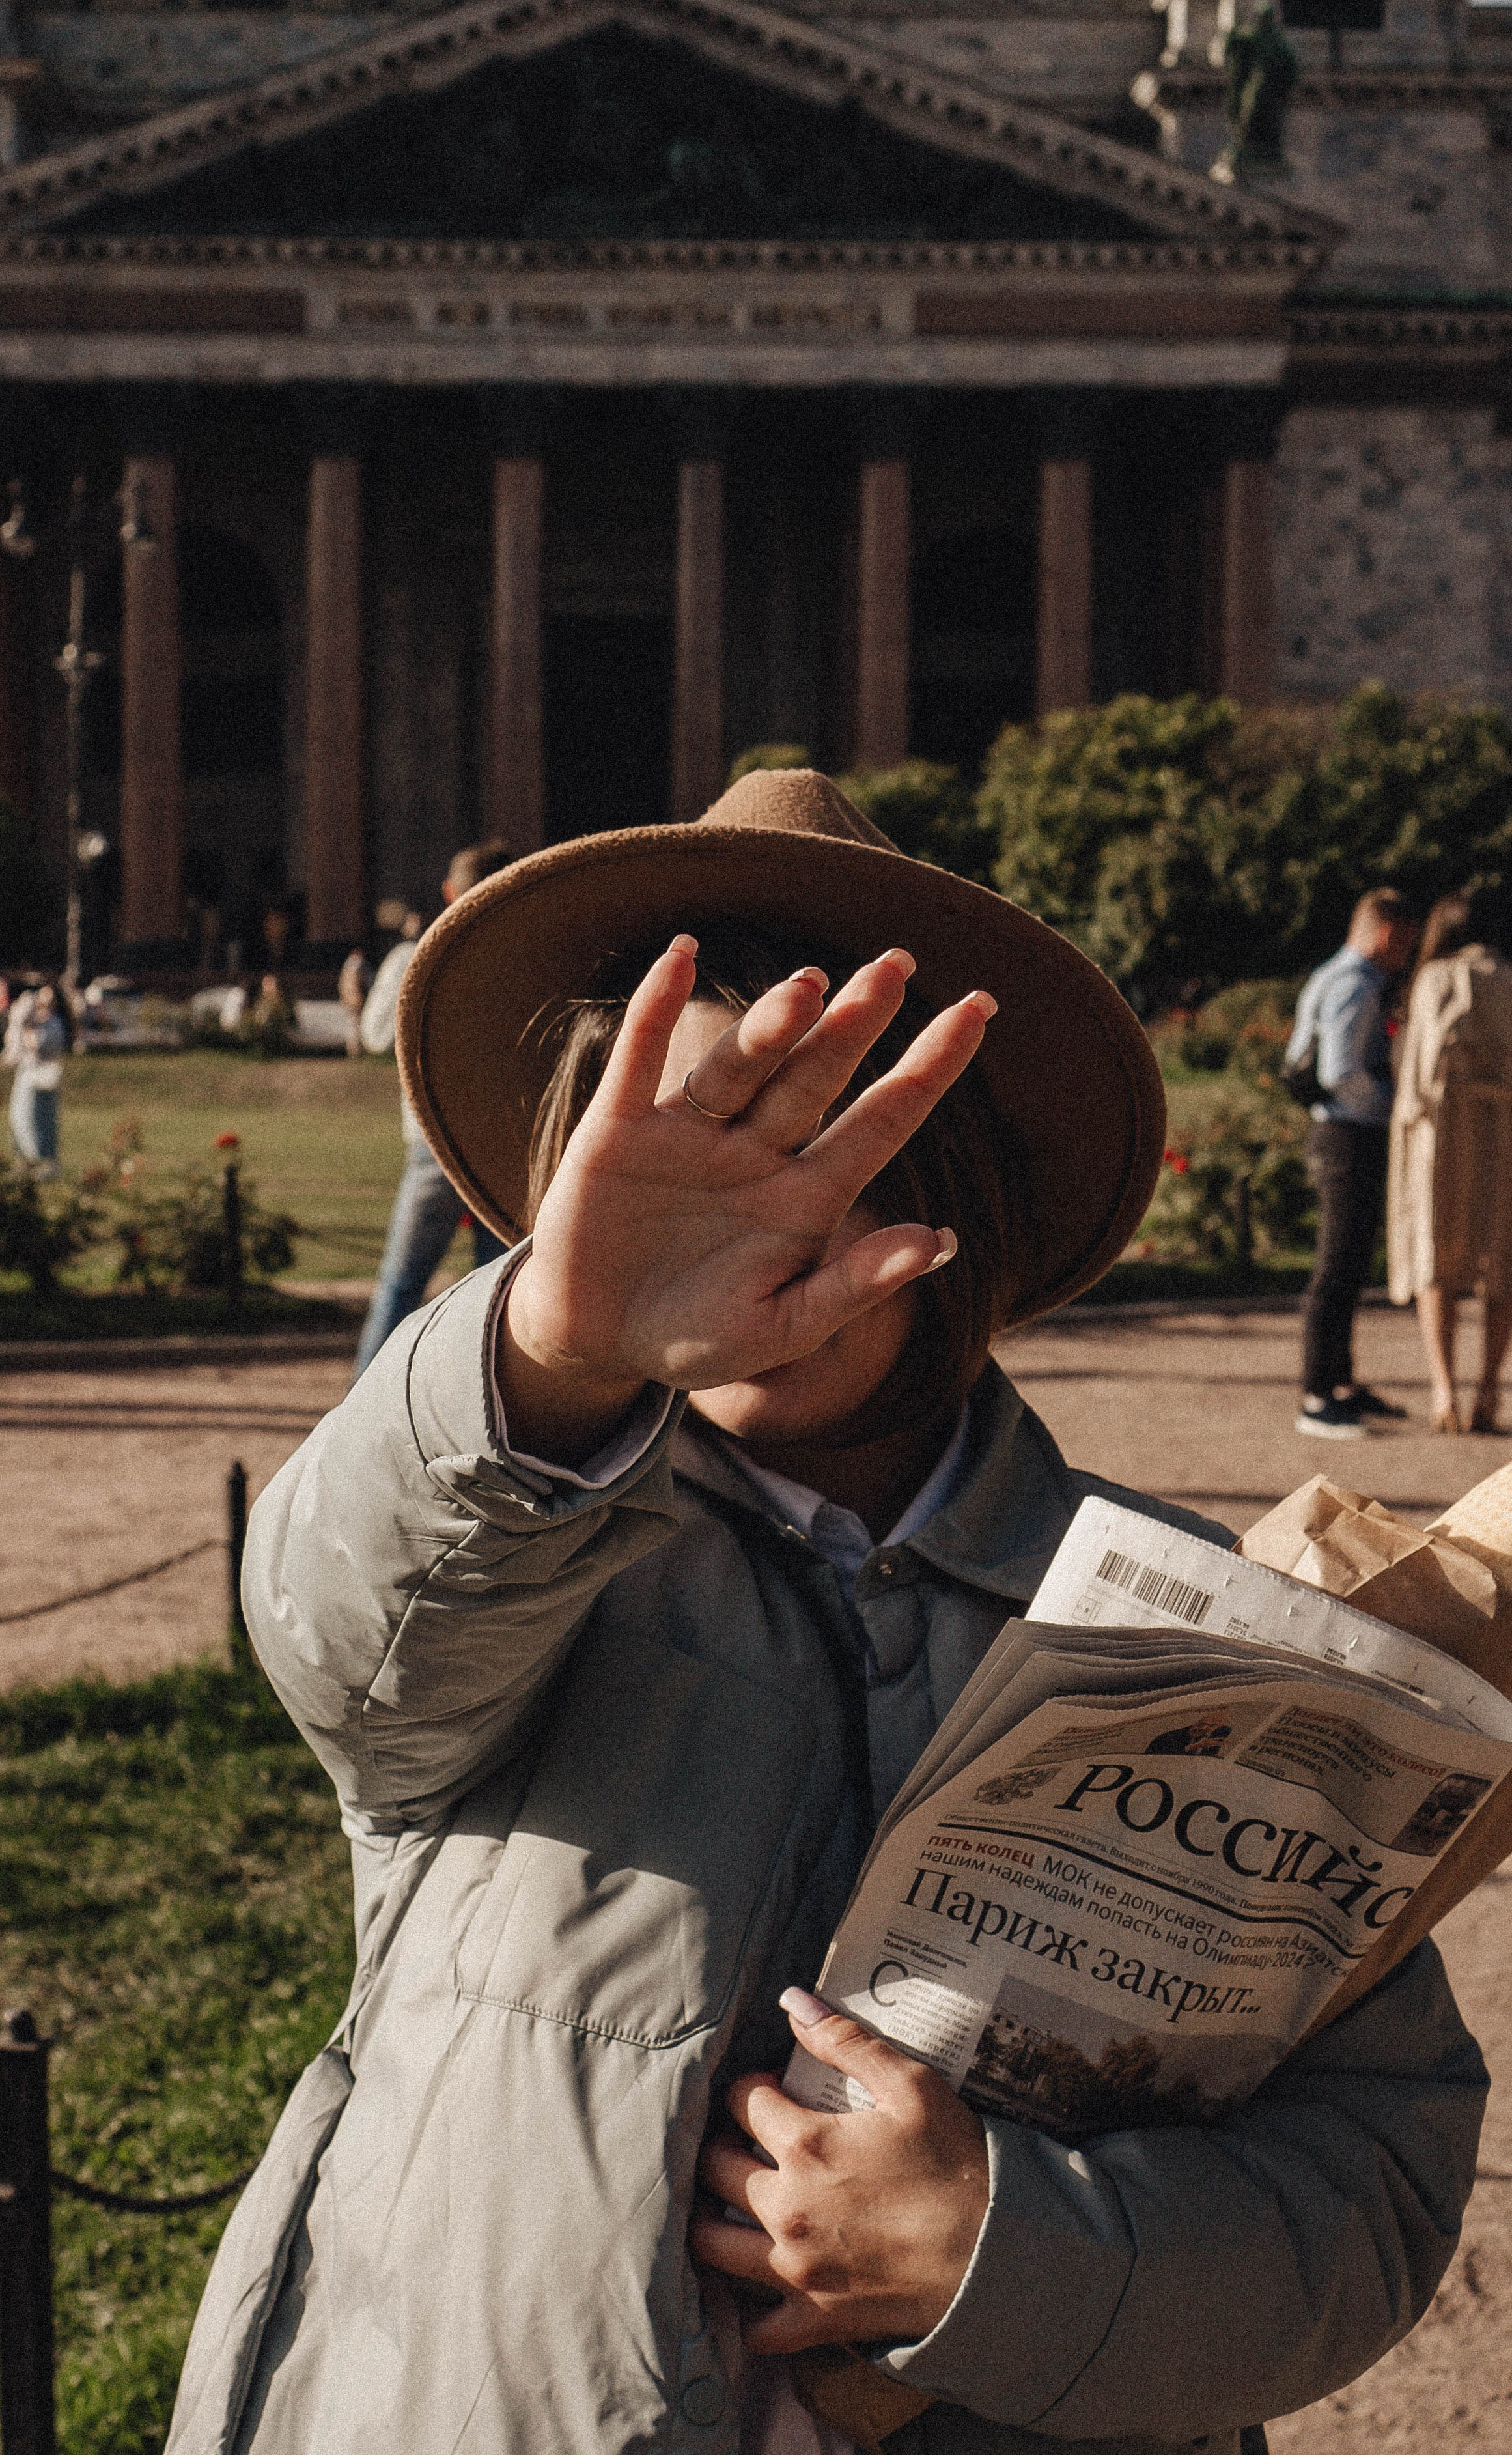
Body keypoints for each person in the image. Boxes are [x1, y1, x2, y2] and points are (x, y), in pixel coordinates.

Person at [170, 772, 1486, 2455]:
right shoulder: (514, 1542)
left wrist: (995, 2249)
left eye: (814, 1154)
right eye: (677, 1160)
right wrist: (552, 1357)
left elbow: (1368, 2172)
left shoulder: (1207, 1632)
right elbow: (333, 1633)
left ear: (949, 1194)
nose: (744, 1244)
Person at [352, 843, 513, 1376]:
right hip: (502, 1140)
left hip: (430, 1139)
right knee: (493, 1293)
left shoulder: (412, 956)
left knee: (401, 1284)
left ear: (449, 892)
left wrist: (357, 1001)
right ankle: (485, 1406)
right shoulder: (519, 955)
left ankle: (361, 1407)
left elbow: (376, 1037)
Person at [1285, 887, 1420, 1438]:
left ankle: (1340, 1383)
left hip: (1339, 1131)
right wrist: (1397, 1104)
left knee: (1348, 1264)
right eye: (1406, 946)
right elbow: (1341, 1071)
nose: (1405, 957)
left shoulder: (1333, 976)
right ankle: (1317, 1397)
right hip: (1347, 1133)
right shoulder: (1354, 984)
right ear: (1389, 935)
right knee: (1337, 1267)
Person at [1387, 888, 1512, 1433]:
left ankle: (1444, 1390)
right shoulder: (1510, 978)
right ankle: (1489, 1390)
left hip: (1442, 1134)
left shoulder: (1437, 978)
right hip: (1505, 1130)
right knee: (1501, 1259)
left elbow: (1414, 1070)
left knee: (1435, 1253)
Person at [4, 980, 70, 1174]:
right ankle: (25, 1160)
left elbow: (38, 1046)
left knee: (36, 1120)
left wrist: (26, 1028)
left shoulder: (54, 1022)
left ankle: (42, 1161)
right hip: (27, 1073)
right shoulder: (37, 1020)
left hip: (42, 1075)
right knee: (20, 1117)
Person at [337, 946, 371, 1058]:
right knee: (357, 1025)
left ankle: (354, 1049)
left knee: (353, 1025)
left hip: (349, 1000)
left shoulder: (347, 968)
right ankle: (357, 1050)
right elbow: (360, 983)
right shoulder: (357, 965)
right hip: (356, 1000)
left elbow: (342, 985)